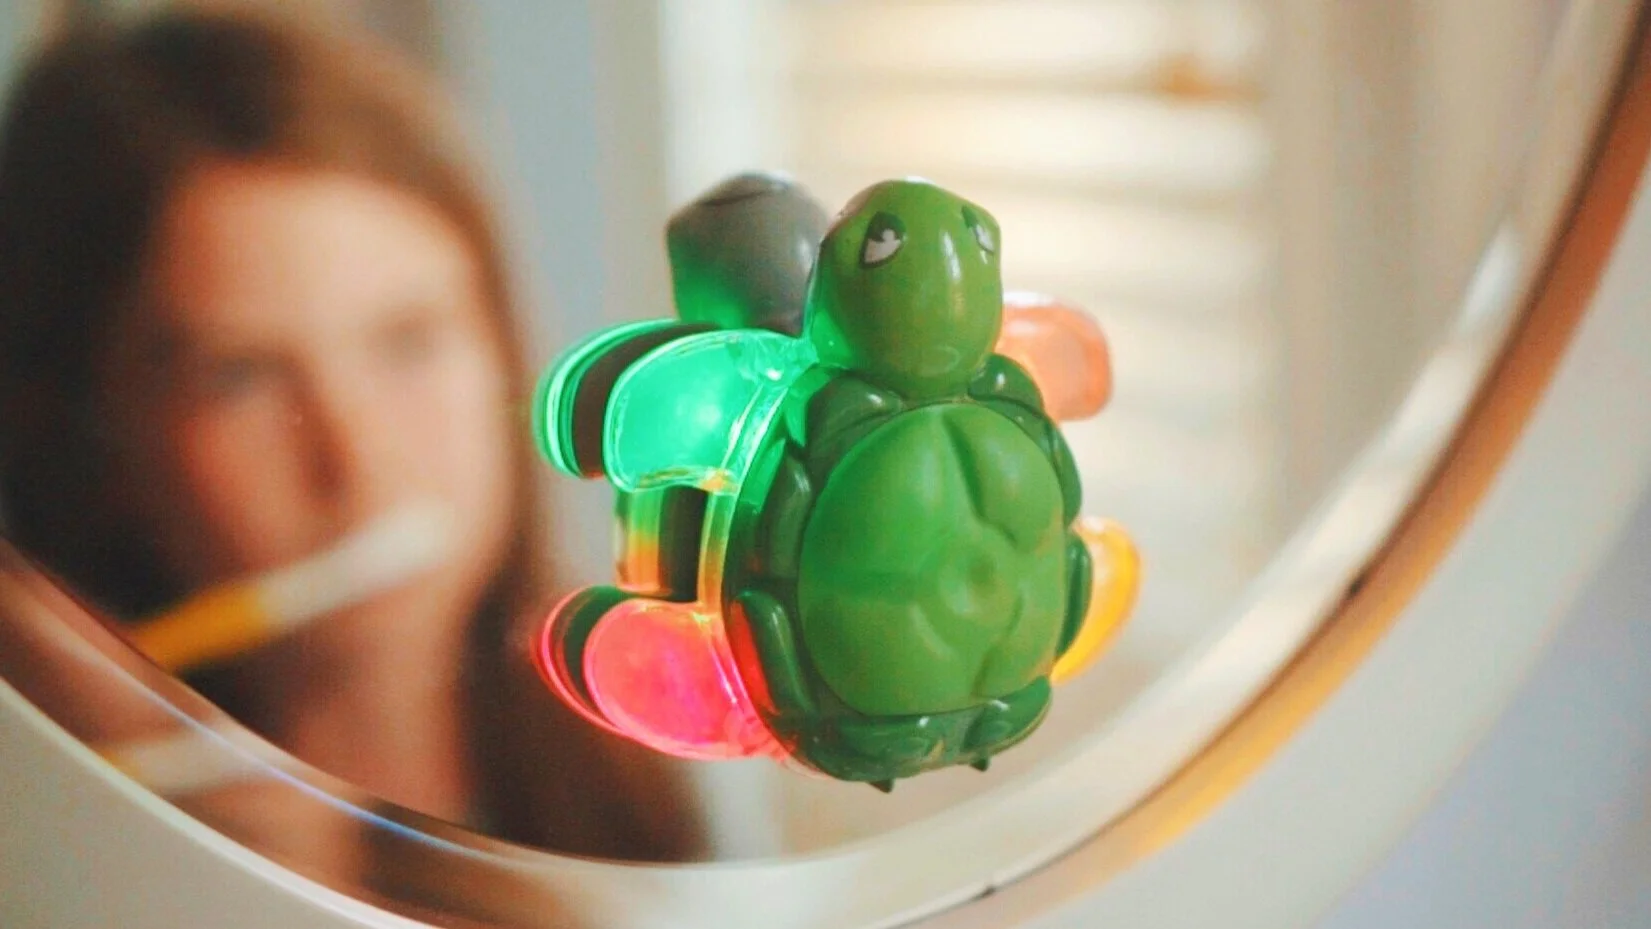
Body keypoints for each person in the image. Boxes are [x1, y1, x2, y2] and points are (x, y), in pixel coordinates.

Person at [0, 3, 705, 864]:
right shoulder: (59, 856)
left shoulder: (641, 760)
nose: (358, 458)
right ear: (92, 440)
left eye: (409, 339)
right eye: (239, 377)